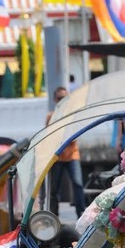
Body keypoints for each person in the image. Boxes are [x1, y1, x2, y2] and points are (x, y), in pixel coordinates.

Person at [46, 86, 86, 219]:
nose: (62, 101)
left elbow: (74, 136)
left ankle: (81, 213)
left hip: (72, 155)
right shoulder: (51, 117)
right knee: (54, 189)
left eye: (65, 98)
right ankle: (54, 216)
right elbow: (48, 137)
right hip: (57, 156)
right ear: (55, 100)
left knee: (78, 183)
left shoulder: (72, 116)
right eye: (60, 98)